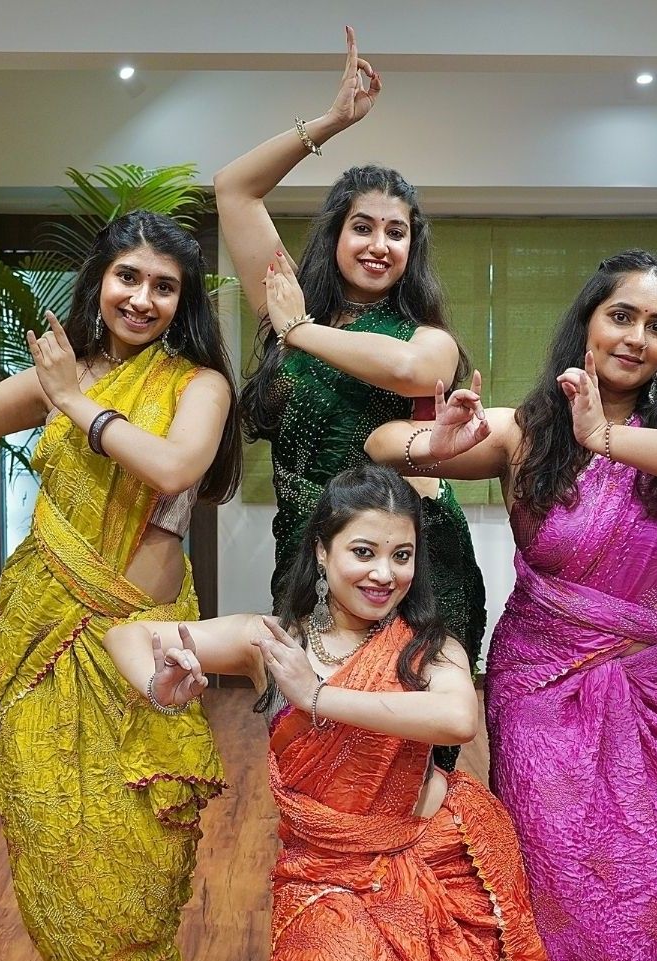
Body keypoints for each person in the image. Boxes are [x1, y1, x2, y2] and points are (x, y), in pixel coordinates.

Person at [368, 249, 657, 961]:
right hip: (543, 673)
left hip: (655, 681)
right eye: (621, 315)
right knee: (558, 839)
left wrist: (610, 438)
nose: (636, 337)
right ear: (586, 320)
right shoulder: (529, 431)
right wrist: (429, 442)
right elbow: (381, 444)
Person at [106, 464, 546, 961]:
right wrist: (159, 682)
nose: (383, 574)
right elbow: (126, 634)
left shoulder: (430, 648)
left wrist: (317, 696)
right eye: (362, 552)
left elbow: (457, 721)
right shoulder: (272, 641)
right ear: (321, 551)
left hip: (419, 860)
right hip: (322, 879)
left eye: (401, 556)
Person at [0, 211, 242, 961]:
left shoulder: (198, 385)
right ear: (101, 282)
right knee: (44, 796)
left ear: (181, 300)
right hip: (43, 618)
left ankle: (132, 948)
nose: (142, 298)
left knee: (134, 810)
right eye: (129, 277)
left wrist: (73, 402)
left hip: (136, 626)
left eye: (164, 286)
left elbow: (174, 466)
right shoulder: (63, 372)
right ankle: (79, 948)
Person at [213, 26, 487, 741]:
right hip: (308, 558)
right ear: (334, 234)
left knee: (408, 760)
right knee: (313, 743)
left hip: (413, 562)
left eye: (395, 233)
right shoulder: (287, 305)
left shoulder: (418, 334)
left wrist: (300, 334)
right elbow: (233, 189)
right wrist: (331, 121)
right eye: (361, 226)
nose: (377, 244)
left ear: (410, 249)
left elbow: (415, 370)